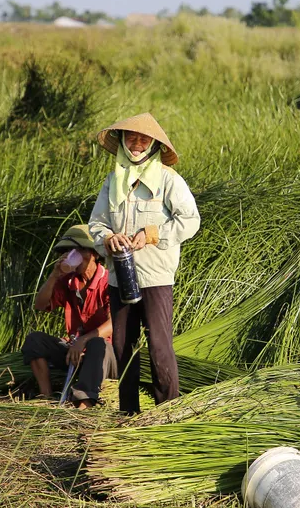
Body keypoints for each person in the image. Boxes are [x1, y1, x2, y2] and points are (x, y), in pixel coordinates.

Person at [88, 113, 200, 415]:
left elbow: (190, 221)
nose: (137, 144)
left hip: (156, 276)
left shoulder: (168, 180)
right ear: (123, 142)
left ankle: (168, 414)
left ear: (153, 145)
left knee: (160, 346)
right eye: (131, 138)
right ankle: (129, 413)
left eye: (144, 139)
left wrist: (151, 235)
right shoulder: (112, 181)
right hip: (119, 276)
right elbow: (96, 224)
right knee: (123, 346)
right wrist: (108, 239)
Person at [21, 224, 116, 408]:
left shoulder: (109, 281)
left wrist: (85, 341)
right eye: (70, 251)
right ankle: (46, 397)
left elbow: (116, 322)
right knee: (35, 340)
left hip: (104, 356)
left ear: (94, 254)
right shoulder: (68, 281)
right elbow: (40, 305)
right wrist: (54, 276)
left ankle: (84, 402)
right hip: (74, 352)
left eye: (79, 250)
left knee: (97, 344)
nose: (74, 255)